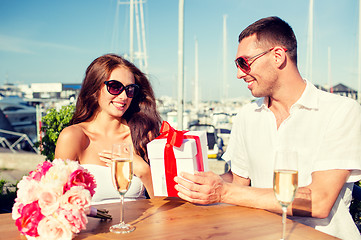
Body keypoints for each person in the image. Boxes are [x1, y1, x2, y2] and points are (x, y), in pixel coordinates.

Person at [174, 16, 361, 239]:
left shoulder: (341, 110)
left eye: (243, 62)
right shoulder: (246, 115)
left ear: (278, 56)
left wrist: (223, 192)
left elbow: (318, 201)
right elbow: (238, 180)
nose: (239, 73)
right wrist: (194, 183)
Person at [55, 54, 162, 204]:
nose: (124, 96)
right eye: (115, 87)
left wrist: (144, 171)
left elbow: (164, 205)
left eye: (130, 89)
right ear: (95, 88)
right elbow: (57, 201)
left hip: (139, 227)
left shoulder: (143, 135)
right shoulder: (73, 137)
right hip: (94, 227)